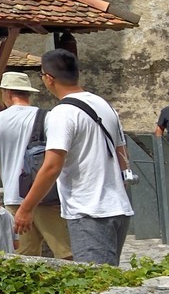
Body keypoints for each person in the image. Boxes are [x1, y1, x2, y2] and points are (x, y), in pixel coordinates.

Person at [14, 49, 134, 266]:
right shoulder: (105, 105)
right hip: (118, 206)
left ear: (49, 78)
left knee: (96, 285)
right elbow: (122, 155)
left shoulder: (62, 113)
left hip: (90, 210)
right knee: (109, 278)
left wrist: (26, 208)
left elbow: (52, 166)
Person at [0, 70, 73, 260]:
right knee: (66, 252)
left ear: (6, 93)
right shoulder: (45, 117)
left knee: (24, 257)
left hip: (13, 198)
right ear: (28, 93)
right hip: (43, 195)